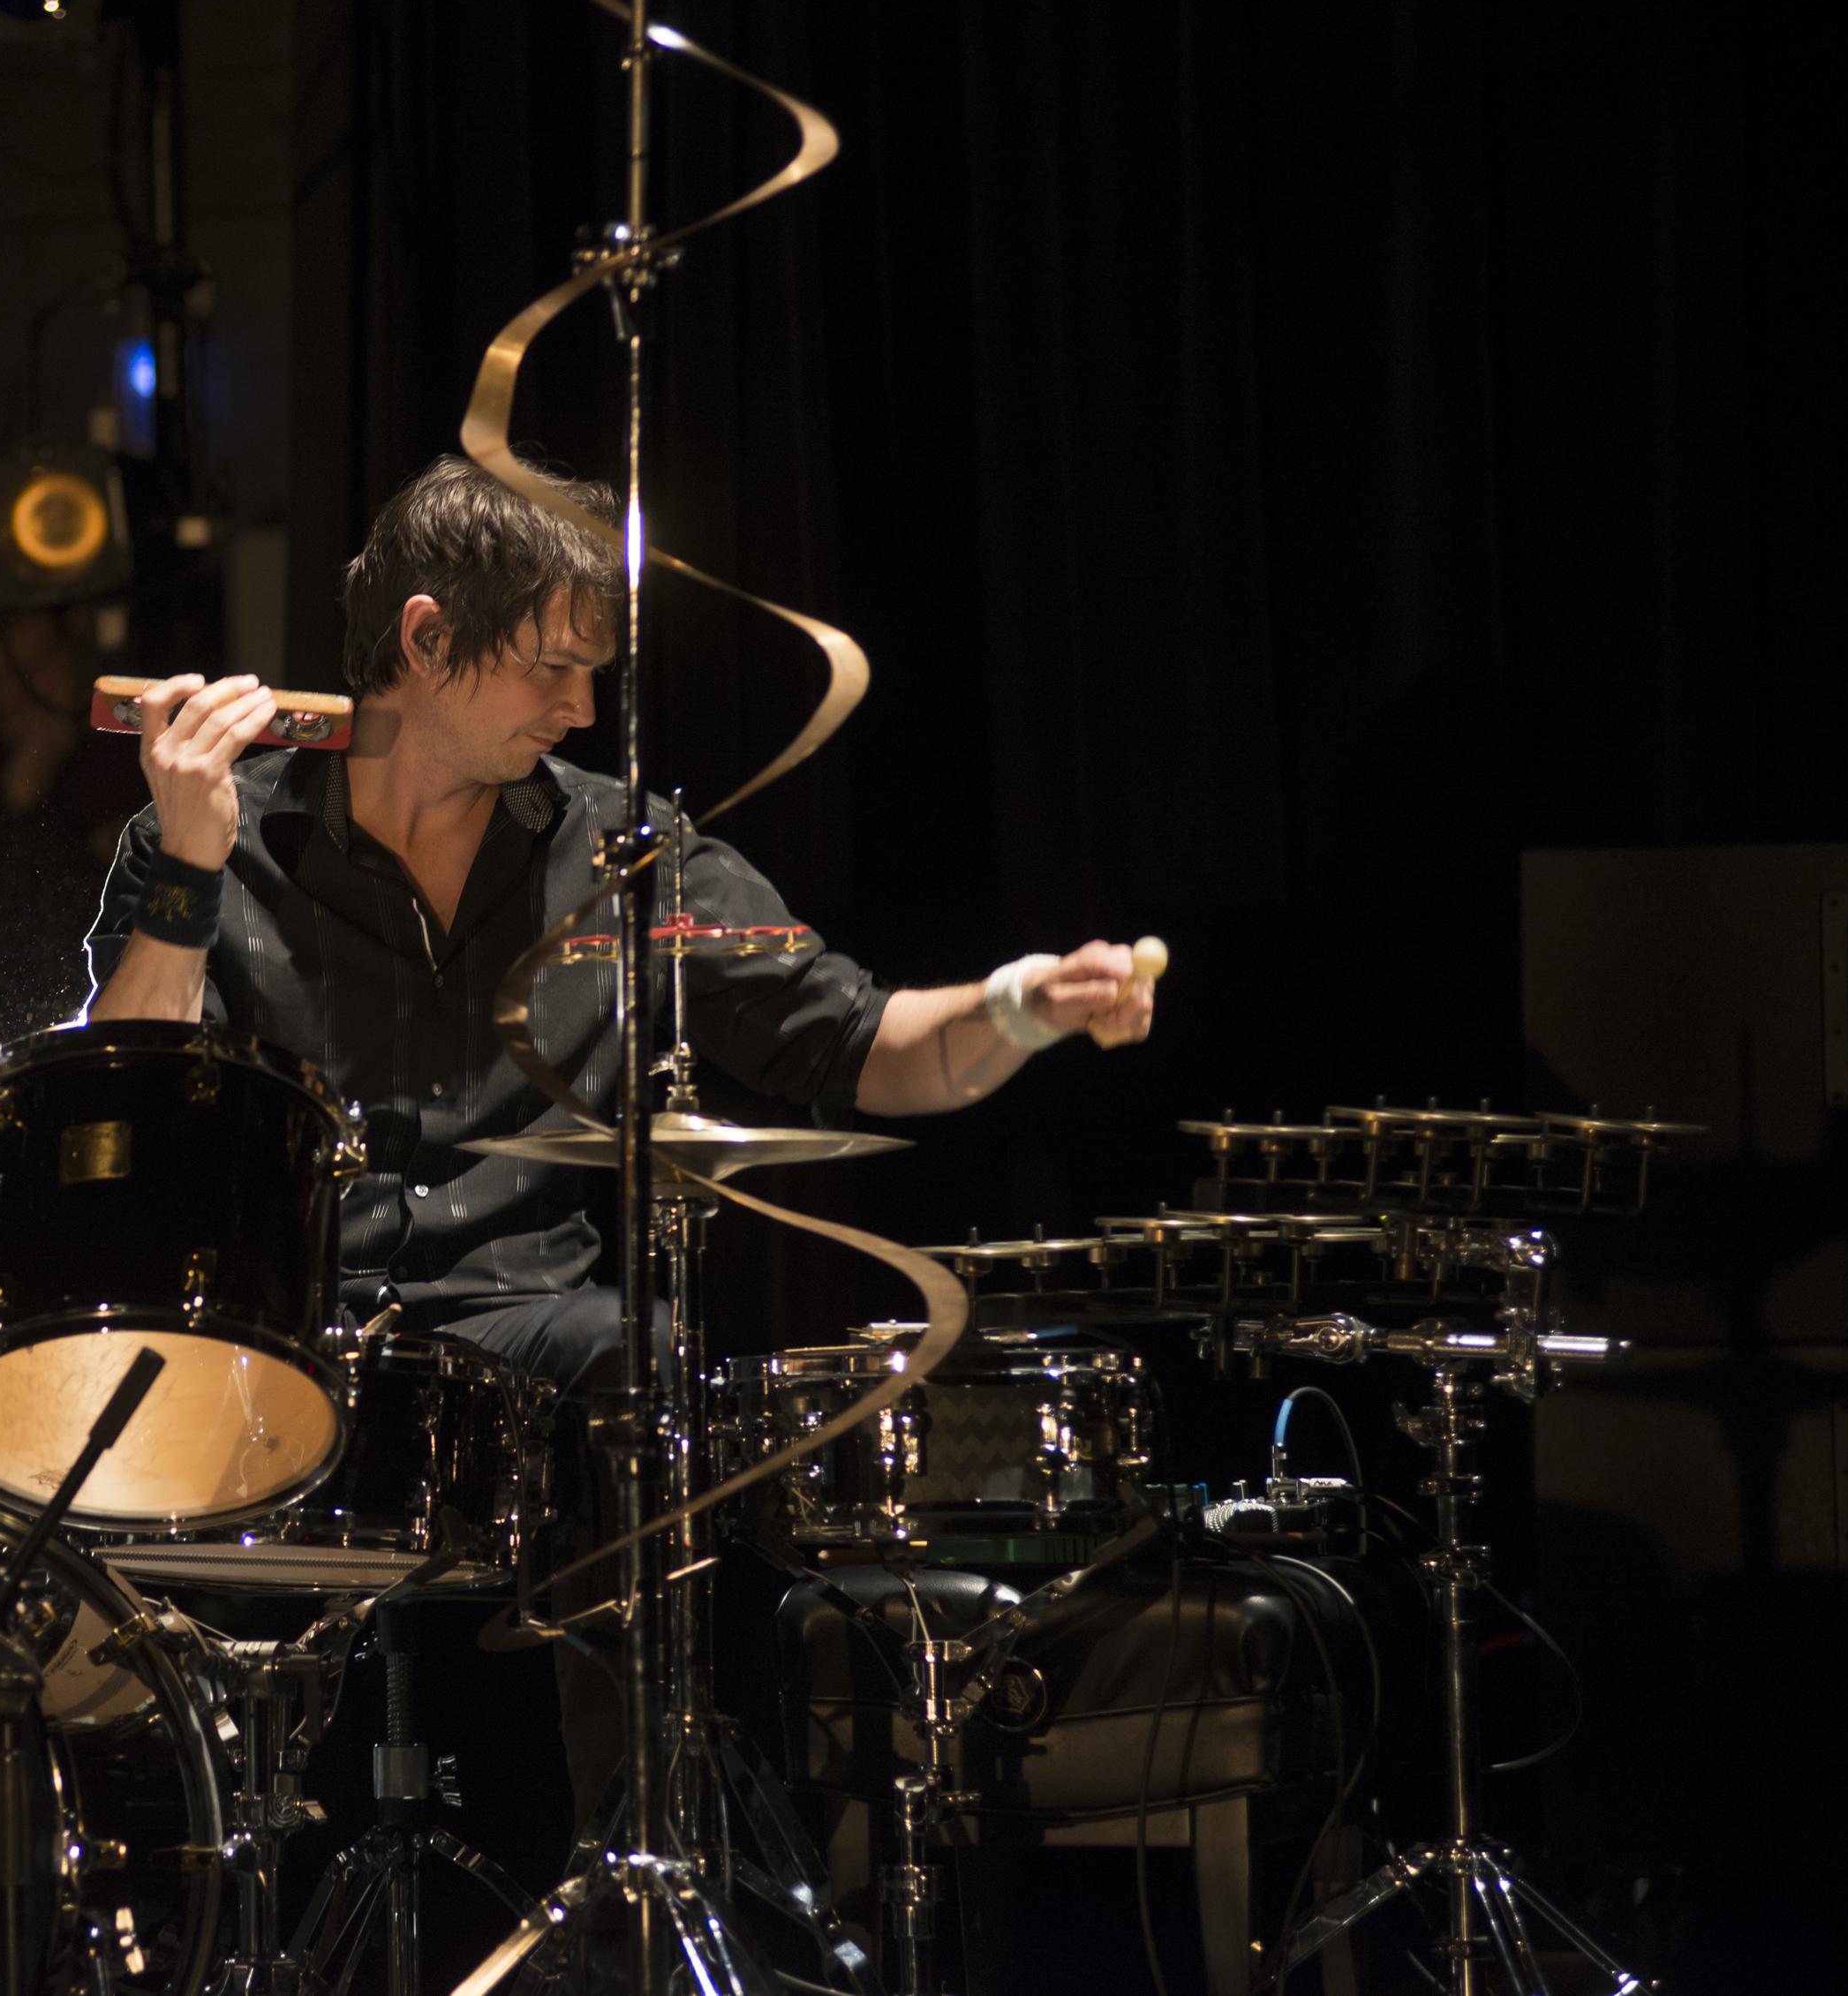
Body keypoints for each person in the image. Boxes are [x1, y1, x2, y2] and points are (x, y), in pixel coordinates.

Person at [79, 452, 1156, 1819]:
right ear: (423, 640)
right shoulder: (218, 832)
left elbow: (871, 1048)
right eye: (550, 668)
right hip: (277, 1352)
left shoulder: (630, 857)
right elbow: (129, 1104)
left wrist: (1025, 1003)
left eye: (594, 673)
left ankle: (640, 1865)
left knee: (630, 1349)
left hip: (526, 1360)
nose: (583, 708)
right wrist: (188, 864)